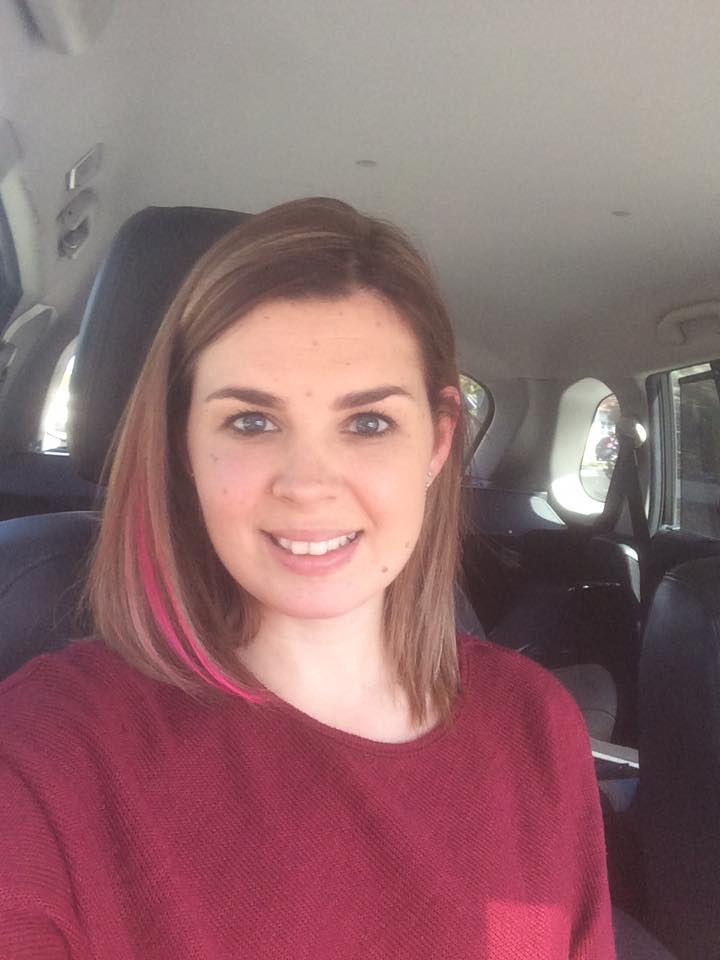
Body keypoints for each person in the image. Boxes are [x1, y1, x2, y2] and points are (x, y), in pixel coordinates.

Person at [0, 198, 615, 958]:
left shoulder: (535, 725)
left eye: (368, 423)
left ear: (437, 442)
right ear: (184, 445)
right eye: (252, 422)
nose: (308, 486)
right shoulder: (48, 756)